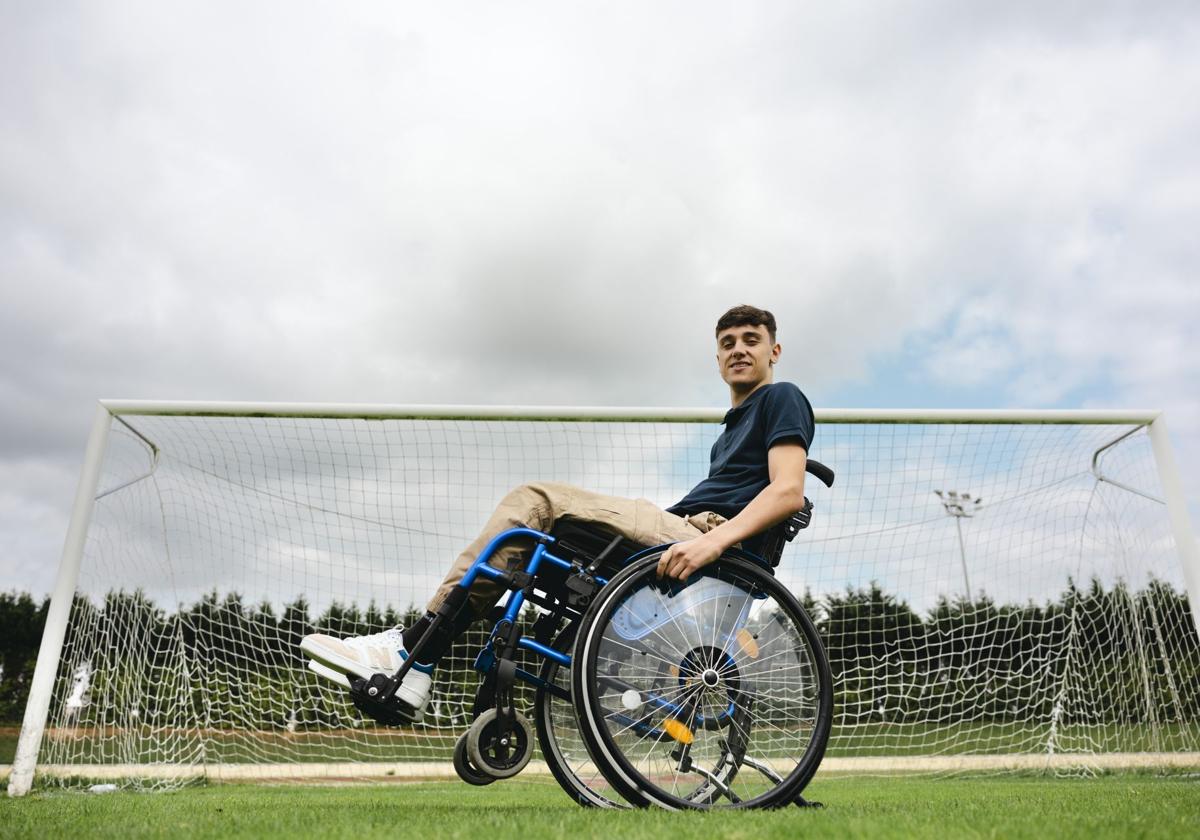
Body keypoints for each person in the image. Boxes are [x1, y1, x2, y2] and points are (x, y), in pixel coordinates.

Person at [300, 304, 815, 719]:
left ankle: (413, 651)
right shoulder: (731, 430)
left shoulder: (782, 398)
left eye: (751, 340)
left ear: (775, 349)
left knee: (537, 503)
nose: (739, 350)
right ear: (717, 358)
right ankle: (419, 656)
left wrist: (709, 542)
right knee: (524, 543)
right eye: (728, 343)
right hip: (683, 531)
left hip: (700, 537)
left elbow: (787, 491)